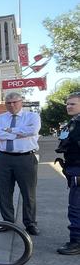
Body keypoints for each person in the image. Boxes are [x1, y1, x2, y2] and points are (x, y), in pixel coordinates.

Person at [0, 92, 41, 236]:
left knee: (28, 193)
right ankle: (8, 222)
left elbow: (32, 130)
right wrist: (18, 133)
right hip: (3, 159)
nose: (12, 105)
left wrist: (9, 130)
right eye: (8, 103)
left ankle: (30, 223)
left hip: (25, 158)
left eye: (15, 102)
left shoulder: (32, 116)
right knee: (5, 192)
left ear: (21, 102)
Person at [55, 92, 80, 255]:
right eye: (67, 104)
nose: (68, 106)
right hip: (73, 168)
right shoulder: (72, 122)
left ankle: (76, 241)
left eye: (72, 104)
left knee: (76, 207)